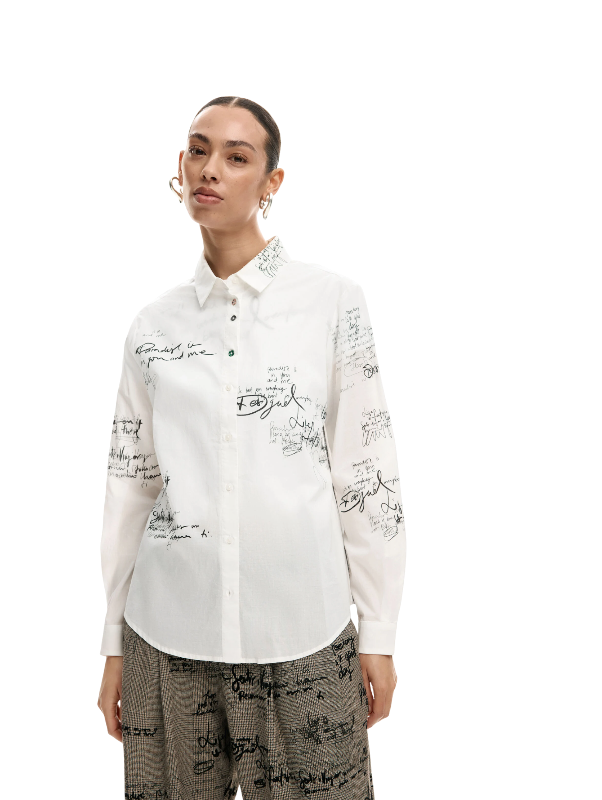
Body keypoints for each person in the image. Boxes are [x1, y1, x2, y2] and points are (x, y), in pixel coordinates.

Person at [97, 95, 404, 799]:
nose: (210, 169)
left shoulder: (333, 302)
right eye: (198, 149)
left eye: (237, 157)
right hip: (165, 638)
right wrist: (112, 642)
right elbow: (131, 487)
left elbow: (366, 471)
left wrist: (378, 632)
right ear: (179, 166)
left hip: (305, 631)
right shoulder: (152, 326)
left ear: (272, 182)